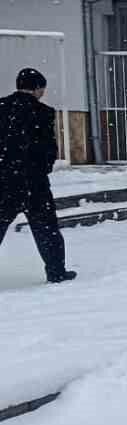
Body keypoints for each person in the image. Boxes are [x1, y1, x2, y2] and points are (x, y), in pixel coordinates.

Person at [0, 68, 74, 283]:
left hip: (4, 179)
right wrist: (41, 168)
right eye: (42, 89)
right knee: (46, 228)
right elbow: (48, 149)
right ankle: (56, 271)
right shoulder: (43, 112)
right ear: (38, 88)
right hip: (34, 181)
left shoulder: (1, 108)